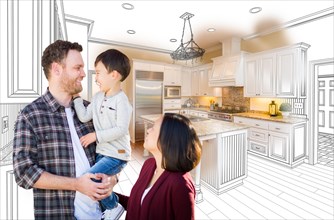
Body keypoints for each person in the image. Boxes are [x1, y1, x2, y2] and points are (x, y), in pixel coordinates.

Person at [12, 40, 114, 219]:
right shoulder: (30, 115)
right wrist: (76, 184)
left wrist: (112, 179)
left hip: (99, 214)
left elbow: (110, 154)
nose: (83, 74)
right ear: (56, 69)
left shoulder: (91, 110)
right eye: (78, 68)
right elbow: (24, 173)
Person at [72, 48, 132, 219]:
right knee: (99, 183)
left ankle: (114, 206)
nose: (96, 77)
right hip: (102, 153)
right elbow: (84, 116)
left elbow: (121, 129)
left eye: (98, 73)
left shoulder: (122, 101)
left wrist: (96, 136)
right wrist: (76, 98)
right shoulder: (98, 97)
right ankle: (109, 207)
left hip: (117, 155)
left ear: (114, 75)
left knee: (88, 180)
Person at [114, 113, 202, 220]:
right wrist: (110, 195)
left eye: (154, 128)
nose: (148, 130)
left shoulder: (181, 185)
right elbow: (138, 205)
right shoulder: (149, 164)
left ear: (168, 139)